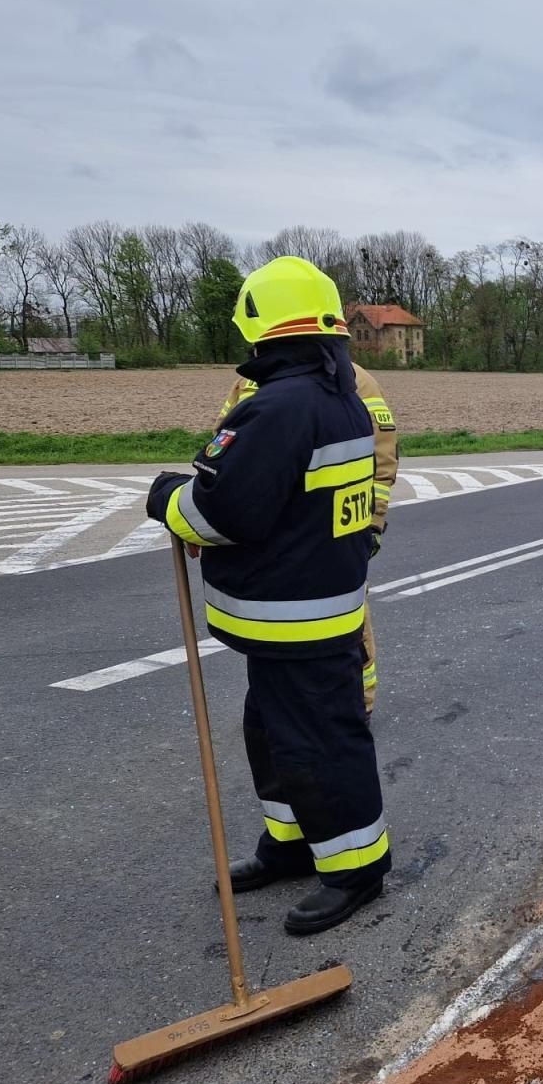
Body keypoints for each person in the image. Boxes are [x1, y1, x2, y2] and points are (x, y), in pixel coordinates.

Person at [146, 256, 391, 935]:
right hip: (300, 614)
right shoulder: (335, 395)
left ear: (259, 329)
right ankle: (291, 844)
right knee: (275, 735)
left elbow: (223, 513)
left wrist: (168, 498)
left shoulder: (279, 407)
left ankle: (356, 869)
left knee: (319, 744)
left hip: (298, 619)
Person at [214, 340, 397, 720]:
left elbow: (381, 457)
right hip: (269, 534)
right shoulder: (249, 382)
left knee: (348, 622)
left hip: (335, 531)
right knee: (272, 628)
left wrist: (373, 523)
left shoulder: (353, 381)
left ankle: (357, 703)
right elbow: (223, 442)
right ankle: (273, 704)